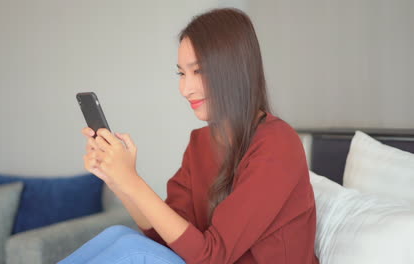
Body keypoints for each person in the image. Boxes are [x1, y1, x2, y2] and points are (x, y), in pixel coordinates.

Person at [59, 7, 320, 264]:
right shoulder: (201, 143)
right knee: (118, 234)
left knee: (131, 249)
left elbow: (212, 256)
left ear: (234, 70)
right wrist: (118, 179)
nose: (185, 89)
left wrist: (132, 179)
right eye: (181, 73)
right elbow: (164, 237)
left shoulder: (277, 144)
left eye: (199, 71)